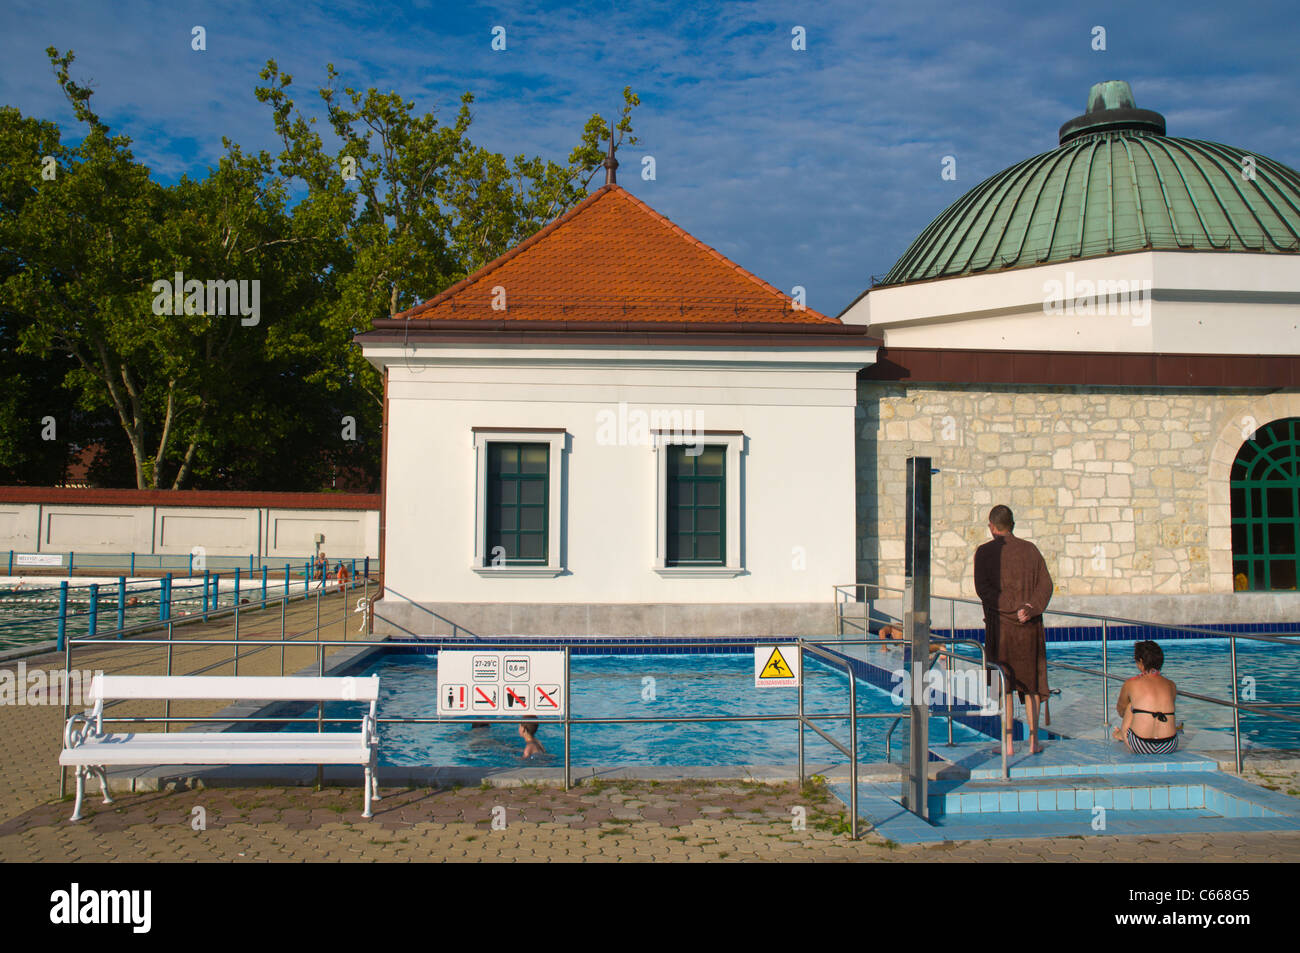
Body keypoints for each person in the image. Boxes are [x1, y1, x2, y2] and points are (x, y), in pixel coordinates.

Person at [974, 504, 1053, 756]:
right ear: (1013, 525)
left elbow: (984, 591)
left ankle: (1007, 744)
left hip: (1002, 631)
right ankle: (1033, 742)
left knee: (1004, 685)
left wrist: (1011, 609)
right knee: (1031, 685)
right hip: (1028, 628)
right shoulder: (1030, 550)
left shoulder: (984, 552)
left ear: (991, 526)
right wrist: (1030, 607)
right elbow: (1046, 584)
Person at [1113, 640, 1180, 754]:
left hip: (1140, 744)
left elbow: (1121, 710)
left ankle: (1121, 735)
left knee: (1131, 705)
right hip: (1169, 745)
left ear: (1140, 662)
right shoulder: (1171, 684)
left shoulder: (1131, 683)